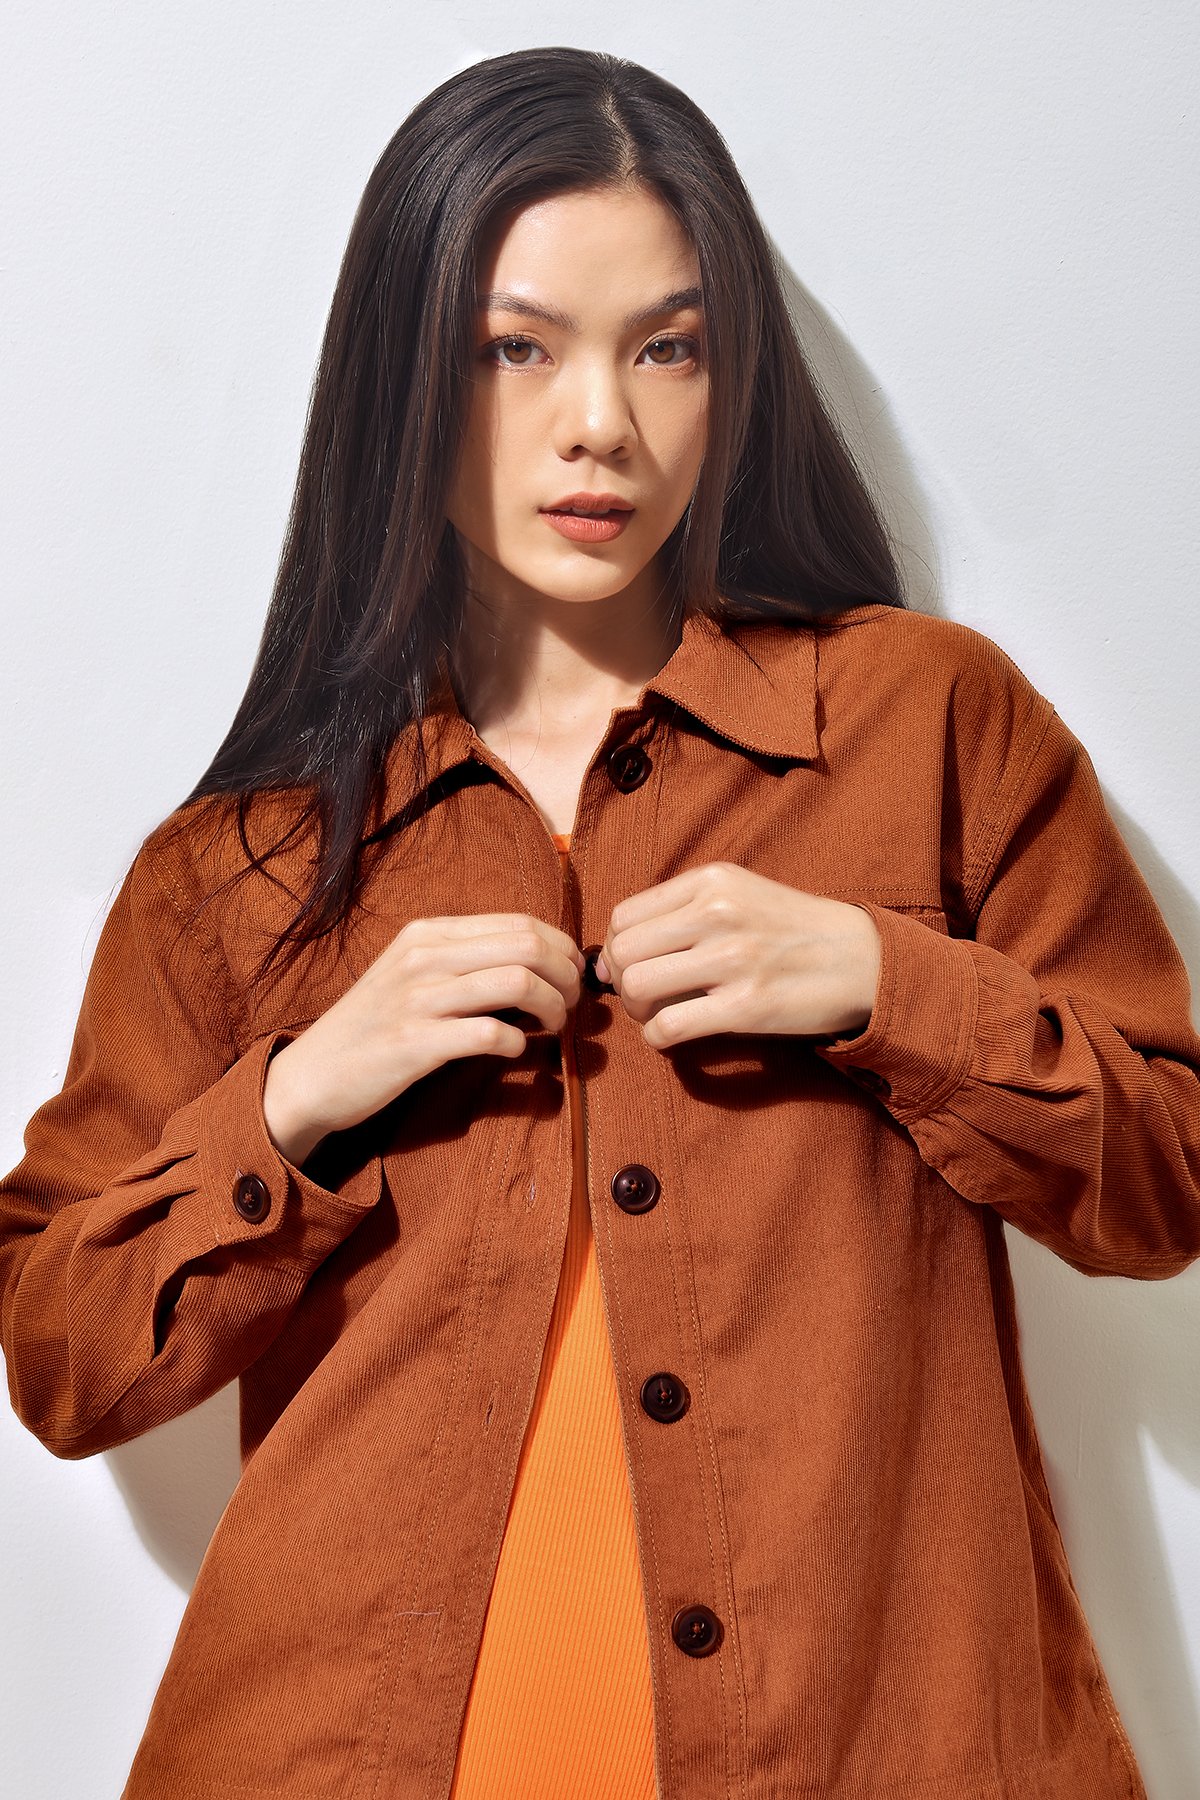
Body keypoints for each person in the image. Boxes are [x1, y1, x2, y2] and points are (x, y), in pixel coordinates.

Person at [1, 42, 1197, 1800]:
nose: (600, 426)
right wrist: (300, 1095)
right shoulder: (243, 866)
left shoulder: (924, 726)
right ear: (407, 370)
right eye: (518, 347)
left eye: (667, 347)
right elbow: (58, 1350)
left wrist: (889, 983)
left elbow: (1169, 1178)